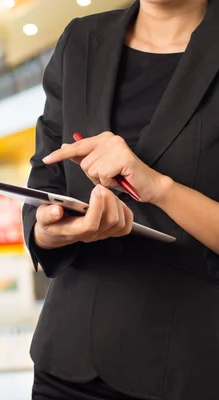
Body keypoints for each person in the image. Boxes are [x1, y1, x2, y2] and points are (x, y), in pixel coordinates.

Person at [22, 0, 219, 399]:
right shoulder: (80, 39)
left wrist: (159, 188)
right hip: (70, 361)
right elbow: (45, 178)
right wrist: (51, 230)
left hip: (190, 367)